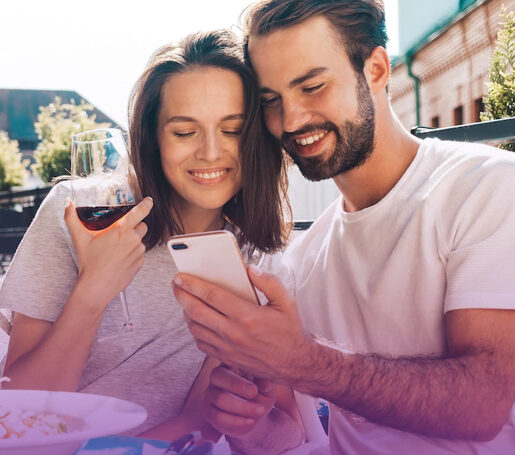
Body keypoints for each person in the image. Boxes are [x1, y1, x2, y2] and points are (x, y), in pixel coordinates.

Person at [174, 1, 515, 453]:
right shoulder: (304, 256)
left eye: (312, 86)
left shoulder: (486, 187)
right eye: (271, 101)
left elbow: (483, 406)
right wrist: (247, 423)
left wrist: (301, 361)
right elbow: (290, 434)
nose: (291, 120)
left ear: (375, 69)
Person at [0, 29, 306, 450]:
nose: (211, 152)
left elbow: (217, 420)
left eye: (232, 130)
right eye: (184, 132)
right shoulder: (78, 213)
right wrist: (93, 291)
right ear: (152, 137)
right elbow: (17, 410)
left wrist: (242, 418)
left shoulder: (255, 259)